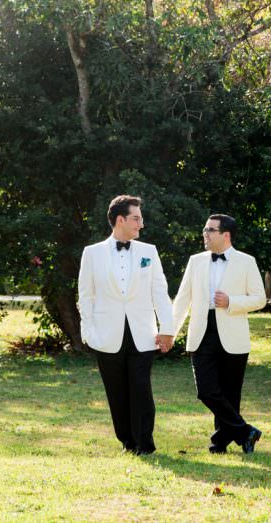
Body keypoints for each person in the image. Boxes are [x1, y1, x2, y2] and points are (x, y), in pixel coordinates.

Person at [158, 214, 265, 454]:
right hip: (201, 331)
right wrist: (169, 332)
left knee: (230, 394)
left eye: (210, 230)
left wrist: (231, 301)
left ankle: (220, 444)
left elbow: (260, 298)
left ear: (225, 235)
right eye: (205, 229)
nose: (204, 234)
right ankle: (245, 431)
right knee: (205, 390)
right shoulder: (195, 261)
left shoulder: (246, 261)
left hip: (233, 333)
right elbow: (183, 299)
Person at [77, 195, 174, 455]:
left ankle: (145, 443)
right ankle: (127, 443)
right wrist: (88, 333)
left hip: (143, 334)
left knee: (141, 389)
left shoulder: (148, 252)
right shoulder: (92, 253)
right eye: (136, 219)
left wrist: (167, 328)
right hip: (107, 335)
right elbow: (85, 296)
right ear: (120, 220)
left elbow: (159, 292)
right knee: (116, 392)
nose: (141, 224)